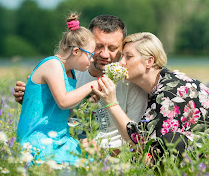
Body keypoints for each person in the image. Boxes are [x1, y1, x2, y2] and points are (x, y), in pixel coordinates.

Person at [92, 32, 209, 163]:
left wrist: (111, 102)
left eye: (128, 57)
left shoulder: (170, 92)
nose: (121, 62)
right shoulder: (162, 81)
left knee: (166, 144)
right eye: (122, 57)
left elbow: (140, 143)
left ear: (149, 61)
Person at [14, 15, 148, 153]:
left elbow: (136, 143)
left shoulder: (132, 83)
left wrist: (103, 154)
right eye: (98, 46)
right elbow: (59, 106)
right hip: (63, 145)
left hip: (109, 155)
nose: (105, 54)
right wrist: (37, 97)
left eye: (112, 48)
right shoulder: (70, 71)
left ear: (122, 50)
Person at [16, 13, 99, 165]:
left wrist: (88, 100)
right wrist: (92, 86)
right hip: (37, 138)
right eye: (90, 54)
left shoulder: (70, 72)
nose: (92, 59)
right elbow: (63, 101)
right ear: (75, 51)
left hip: (59, 138)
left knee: (92, 162)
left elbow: (63, 110)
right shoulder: (53, 65)